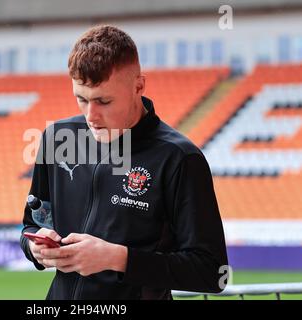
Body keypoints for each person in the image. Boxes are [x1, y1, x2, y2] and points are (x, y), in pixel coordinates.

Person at [20, 25, 228, 300]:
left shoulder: (178, 158)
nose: (91, 115)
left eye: (103, 101)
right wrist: (35, 248)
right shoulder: (58, 138)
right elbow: (30, 225)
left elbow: (212, 272)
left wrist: (118, 258)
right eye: (81, 99)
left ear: (138, 86)